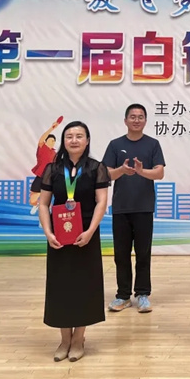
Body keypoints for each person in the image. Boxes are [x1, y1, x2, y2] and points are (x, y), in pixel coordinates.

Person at [38, 120, 109, 362]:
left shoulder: (97, 168)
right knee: (61, 286)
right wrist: (48, 233)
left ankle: (78, 339)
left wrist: (90, 231)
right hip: (59, 235)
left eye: (79, 136)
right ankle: (64, 339)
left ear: (87, 141)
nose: (74, 140)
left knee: (83, 286)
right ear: (63, 141)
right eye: (69, 136)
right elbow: (43, 204)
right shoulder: (53, 169)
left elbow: (101, 202)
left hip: (85, 234)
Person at [103, 104, 166, 314]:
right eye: (132, 116)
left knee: (143, 253)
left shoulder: (153, 144)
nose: (136, 120)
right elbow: (106, 174)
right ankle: (122, 295)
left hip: (144, 207)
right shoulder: (115, 145)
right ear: (125, 120)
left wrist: (141, 171)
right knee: (121, 254)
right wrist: (122, 170)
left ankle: (142, 294)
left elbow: (159, 173)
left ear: (145, 121)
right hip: (121, 207)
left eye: (140, 117)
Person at [29, 118, 62, 214]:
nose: (52, 142)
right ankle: (37, 205)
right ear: (46, 141)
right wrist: (52, 128)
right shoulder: (42, 148)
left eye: (54, 141)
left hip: (50, 178)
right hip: (40, 176)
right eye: (50, 140)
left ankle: (50, 211)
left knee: (49, 197)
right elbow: (42, 138)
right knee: (32, 200)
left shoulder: (55, 154)